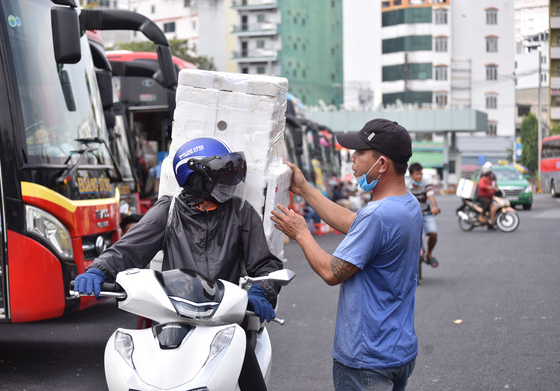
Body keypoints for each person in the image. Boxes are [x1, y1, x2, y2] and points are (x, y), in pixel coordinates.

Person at [74, 137, 283, 391]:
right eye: (221, 173)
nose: (230, 180)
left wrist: (262, 290)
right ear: (196, 179)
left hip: (224, 320)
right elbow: (127, 250)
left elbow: (265, 265)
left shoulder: (240, 211)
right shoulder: (169, 210)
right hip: (174, 318)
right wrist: (98, 269)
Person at [271, 118, 421, 391]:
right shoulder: (407, 205)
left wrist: (301, 232)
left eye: (360, 153)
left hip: (367, 360)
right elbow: (356, 224)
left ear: (383, 164)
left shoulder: (377, 216)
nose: (352, 159)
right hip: (398, 351)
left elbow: (331, 272)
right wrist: (304, 188)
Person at [407, 162, 440, 267]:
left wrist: (434, 207)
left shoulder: (426, 184)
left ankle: (429, 254)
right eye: (417, 174)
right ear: (411, 175)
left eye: (420, 174)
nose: (419, 176)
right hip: (411, 215)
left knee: (433, 233)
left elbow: (431, 196)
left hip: (426, 213)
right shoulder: (406, 187)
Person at [477, 164, 498, 230]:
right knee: (487, 202)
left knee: (492, 208)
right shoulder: (483, 179)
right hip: (481, 196)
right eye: (490, 173)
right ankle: (481, 216)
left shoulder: (491, 180)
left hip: (489, 196)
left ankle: (490, 224)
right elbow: (481, 186)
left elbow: (495, 186)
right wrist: (489, 187)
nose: (491, 175)